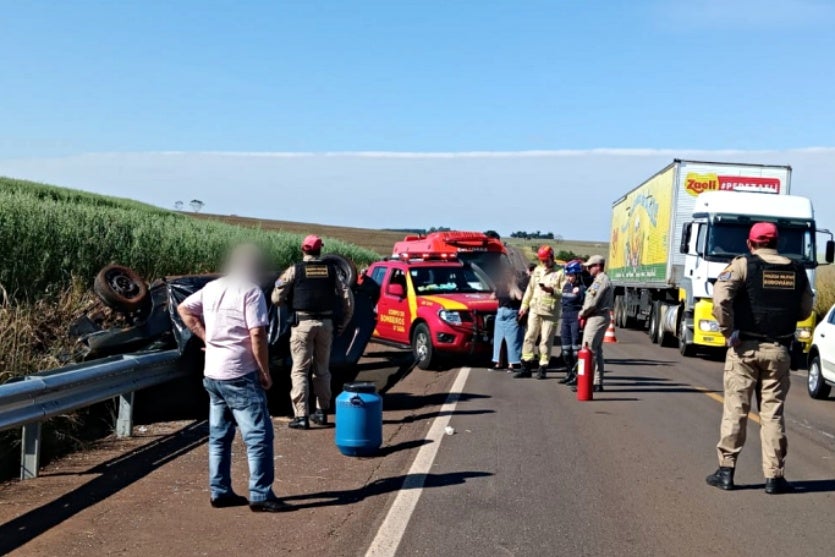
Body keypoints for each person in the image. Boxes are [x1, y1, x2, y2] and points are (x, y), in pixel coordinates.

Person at [177, 243, 286, 512]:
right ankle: (261, 495)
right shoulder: (251, 291)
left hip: (213, 374)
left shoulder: (213, 287)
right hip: (239, 373)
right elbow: (257, 335)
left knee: (219, 436)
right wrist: (264, 371)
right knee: (258, 436)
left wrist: (207, 337)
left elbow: (184, 309)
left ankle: (220, 491)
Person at [705, 222, 813, 494]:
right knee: (773, 414)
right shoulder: (797, 269)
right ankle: (774, 477)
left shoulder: (742, 265)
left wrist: (729, 332)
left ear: (750, 243)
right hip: (779, 350)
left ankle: (726, 472)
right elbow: (804, 310)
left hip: (745, 349)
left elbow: (720, 300)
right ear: (778, 242)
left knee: (735, 411)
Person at [272, 235, 353, 430]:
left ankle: (301, 416)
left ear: (303, 249)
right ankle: (322, 412)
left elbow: (276, 297)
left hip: (302, 325)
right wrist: (344, 322)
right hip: (326, 325)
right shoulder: (332, 270)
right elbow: (347, 298)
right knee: (322, 370)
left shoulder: (294, 270)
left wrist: (288, 302)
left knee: (300, 370)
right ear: (320, 250)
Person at [516, 245, 565, 379]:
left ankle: (543, 367)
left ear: (552, 257)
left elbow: (565, 293)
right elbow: (530, 290)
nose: (543, 263)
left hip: (550, 313)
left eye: (546, 260)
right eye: (541, 260)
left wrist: (553, 291)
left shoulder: (560, 272)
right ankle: (526, 366)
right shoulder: (537, 270)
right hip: (535, 310)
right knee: (529, 337)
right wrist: (523, 307)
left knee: (546, 340)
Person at [578, 255, 613, 392]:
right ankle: (596, 381)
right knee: (596, 351)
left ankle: (586, 382)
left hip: (596, 316)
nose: (588, 269)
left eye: (590, 266)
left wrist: (582, 313)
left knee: (588, 349)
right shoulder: (599, 280)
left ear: (598, 266)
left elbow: (592, 302)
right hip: (597, 316)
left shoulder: (600, 281)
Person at [489, 265, 526, 372]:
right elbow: (493, 296)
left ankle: (505, 363)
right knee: (506, 340)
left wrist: (512, 286)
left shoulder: (507, 285)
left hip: (506, 312)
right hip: (506, 312)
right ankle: (505, 363)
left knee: (506, 339)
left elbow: (519, 297)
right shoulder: (506, 285)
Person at [559, 261, 586, 385]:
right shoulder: (566, 286)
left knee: (576, 350)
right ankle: (569, 374)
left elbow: (585, 305)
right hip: (565, 318)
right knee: (565, 350)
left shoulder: (582, 289)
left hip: (575, 318)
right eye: (567, 275)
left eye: (571, 275)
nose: (569, 277)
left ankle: (577, 376)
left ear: (577, 275)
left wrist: (579, 292)